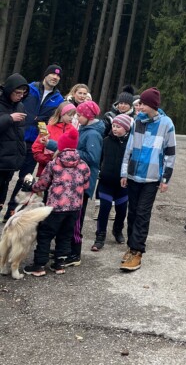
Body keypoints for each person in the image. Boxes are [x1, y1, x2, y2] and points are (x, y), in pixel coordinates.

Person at [119, 87, 176, 272]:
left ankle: (137, 251)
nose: (139, 106)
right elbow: (129, 147)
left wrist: (165, 178)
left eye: (143, 104)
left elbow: (170, 152)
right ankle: (131, 247)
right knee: (133, 212)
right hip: (133, 175)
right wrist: (124, 172)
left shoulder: (166, 124)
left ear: (152, 105)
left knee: (143, 214)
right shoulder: (137, 121)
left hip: (151, 178)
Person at [23, 128, 90, 276]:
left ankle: (39, 265)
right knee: (65, 234)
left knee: (45, 234)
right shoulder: (83, 165)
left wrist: (32, 187)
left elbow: (43, 184)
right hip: (74, 208)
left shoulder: (54, 163)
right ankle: (59, 264)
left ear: (61, 146)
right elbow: (86, 185)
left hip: (56, 207)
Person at [3, 64, 64, 220]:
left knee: (25, 179)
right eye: (52, 74)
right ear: (45, 75)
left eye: (58, 76)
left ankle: (12, 210)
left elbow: (54, 120)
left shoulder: (59, 99)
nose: (55, 77)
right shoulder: (29, 89)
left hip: (35, 144)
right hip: (16, 139)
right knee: (6, 175)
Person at [65, 100, 104, 266]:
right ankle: (66, 248)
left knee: (77, 218)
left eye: (80, 115)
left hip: (84, 182)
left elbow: (93, 158)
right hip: (77, 180)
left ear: (88, 116)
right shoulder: (85, 129)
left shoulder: (93, 134)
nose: (77, 118)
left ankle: (75, 253)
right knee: (71, 216)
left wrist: (72, 151)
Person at [92, 113, 133, 251]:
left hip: (123, 184)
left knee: (121, 211)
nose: (115, 129)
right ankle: (100, 236)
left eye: (118, 127)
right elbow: (99, 158)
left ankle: (117, 230)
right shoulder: (106, 141)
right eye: (114, 126)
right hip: (106, 182)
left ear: (126, 128)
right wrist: (99, 171)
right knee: (104, 209)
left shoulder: (131, 143)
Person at [0, 74, 29, 213]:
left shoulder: (20, 106)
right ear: (9, 90)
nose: (20, 96)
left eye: (23, 93)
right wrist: (9, 118)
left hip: (10, 160)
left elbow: (20, 133)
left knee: (2, 194)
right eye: (17, 93)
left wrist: (21, 154)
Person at [31, 102, 78, 178]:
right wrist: (48, 161)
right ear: (62, 114)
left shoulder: (73, 130)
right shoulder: (47, 128)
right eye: (70, 115)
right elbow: (36, 148)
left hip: (65, 173)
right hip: (46, 170)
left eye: (73, 115)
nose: (72, 117)